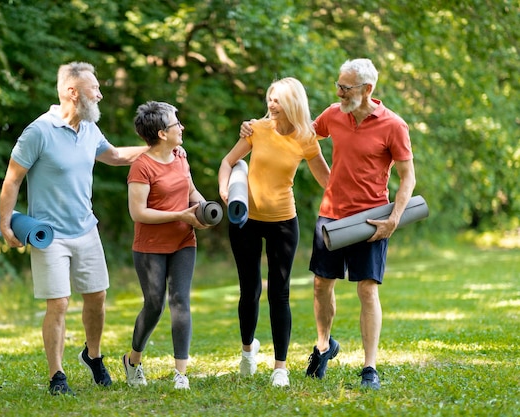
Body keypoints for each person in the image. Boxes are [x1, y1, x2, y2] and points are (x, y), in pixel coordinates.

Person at [241, 59, 416, 389]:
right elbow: (299, 133)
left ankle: (369, 368)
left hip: (371, 219)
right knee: (322, 284)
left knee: (367, 289)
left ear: (367, 90)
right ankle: (323, 346)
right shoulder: (334, 114)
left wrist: (394, 218)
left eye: (345, 87)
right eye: (338, 85)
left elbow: (408, 178)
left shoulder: (394, 125)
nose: (339, 92)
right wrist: (257, 127)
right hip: (332, 214)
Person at [0, 61, 150, 396]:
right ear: (72, 92)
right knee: (60, 303)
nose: (100, 93)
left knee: (97, 297)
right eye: (94, 88)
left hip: (86, 229)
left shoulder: (89, 129)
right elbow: (13, 179)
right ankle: (57, 375)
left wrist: (156, 150)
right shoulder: (39, 131)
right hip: (48, 235)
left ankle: (92, 356)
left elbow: (114, 156)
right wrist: (7, 222)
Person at [219, 77, 330, 387]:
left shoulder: (307, 138)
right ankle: (247, 352)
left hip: (283, 222)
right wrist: (224, 189)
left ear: (293, 102)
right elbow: (229, 161)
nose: (271, 103)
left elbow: (327, 179)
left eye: (278, 99)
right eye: (270, 97)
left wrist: (358, 195)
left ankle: (280, 367)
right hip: (246, 220)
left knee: (279, 293)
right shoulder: (256, 129)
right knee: (249, 289)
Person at [121, 101, 210, 390]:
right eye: (176, 124)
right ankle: (133, 360)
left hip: (184, 240)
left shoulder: (180, 157)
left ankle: (180, 373)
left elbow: (192, 191)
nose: (181, 127)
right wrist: (179, 215)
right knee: (154, 305)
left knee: (180, 301)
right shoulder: (141, 167)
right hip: (149, 247)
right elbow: (138, 213)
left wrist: (203, 208)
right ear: (161, 133)